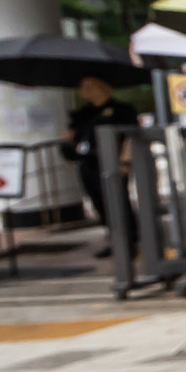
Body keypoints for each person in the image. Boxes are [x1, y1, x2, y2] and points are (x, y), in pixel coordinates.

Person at [62, 76, 137, 259]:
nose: (86, 90)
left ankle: (129, 239)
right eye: (83, 87)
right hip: (88, 163)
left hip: (112, 162)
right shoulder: (82, 114)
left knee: (117, 200)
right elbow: (71, 137)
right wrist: (68, 145)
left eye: (90, 86)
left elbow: (130, 137)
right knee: (99, 202)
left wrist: (125, 161)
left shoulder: (122, 110)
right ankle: (113, 237)